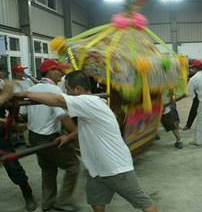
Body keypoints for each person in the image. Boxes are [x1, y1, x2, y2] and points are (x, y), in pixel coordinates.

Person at [16, 70, 158, 212]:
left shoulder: (88, 101)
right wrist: (69, 136)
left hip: (116, 168)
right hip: (97, 170)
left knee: (144, 204)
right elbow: (84, 127)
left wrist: (26, 94)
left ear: (77, 89)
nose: (66, 93)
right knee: (96, 203)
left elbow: (58, 100)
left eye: (68, 89)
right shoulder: (90, 104)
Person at [26, 59, 80, 211]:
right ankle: (62, 201)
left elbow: (25, 114)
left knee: (48, 169)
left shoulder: (33, 88)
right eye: (58, 70)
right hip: (47, 137)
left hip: (33, 136)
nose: (62, 73)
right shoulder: (54, 90)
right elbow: (62, 117)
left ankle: (47, 203)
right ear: (49, 71)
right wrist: (75, 132)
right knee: (73, 165)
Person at [0, 82, 38, 211]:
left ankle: (28, 196)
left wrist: (14, 123)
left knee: (14, 168)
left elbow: (10, 109)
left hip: (2, 140)